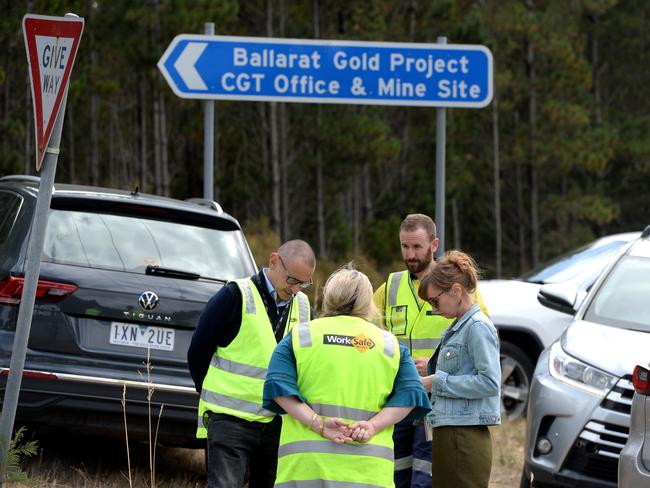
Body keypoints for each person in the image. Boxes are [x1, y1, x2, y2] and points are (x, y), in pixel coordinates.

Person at [263, 265, 431, 487]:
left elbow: (277, 387)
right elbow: (411, 396)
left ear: (329, 297)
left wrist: (318, 424)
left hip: (305, 470)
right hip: (369, 472)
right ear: (367, 302)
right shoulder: (391, 346)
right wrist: (373, 426)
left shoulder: (300, 337)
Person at [187, 240, 315, 488]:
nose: (297, 289)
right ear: (274, 260)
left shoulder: (302, 305)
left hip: (277, 423)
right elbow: (198, 350)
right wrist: (211, 391)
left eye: (304, 283)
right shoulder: (235, 295)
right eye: (292, 280)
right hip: (229, 420)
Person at [373, 213, 489, 488]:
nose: (410, 254)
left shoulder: (456, 288)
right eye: (404, 246)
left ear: (434, 244)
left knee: (425, 480)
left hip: (436, 404)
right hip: (399, 401)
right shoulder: (389, 287)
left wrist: (438, 370)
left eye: (417, 247)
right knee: (396, 477)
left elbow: (479, 345)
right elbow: (367, 337)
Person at [418, 250, 501, 488]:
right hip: (451, 431)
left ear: (455, 290)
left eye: (435, 301)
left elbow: (489, 383)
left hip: (464, 436)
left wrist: (437, 382)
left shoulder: (477, 327)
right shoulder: (459, 326)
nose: (434, 308)